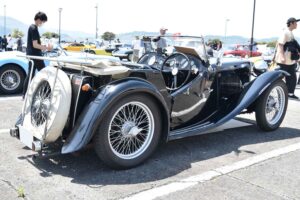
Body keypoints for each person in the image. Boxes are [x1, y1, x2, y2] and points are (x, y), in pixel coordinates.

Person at [22, 11, 52, 98]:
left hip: (31, 54)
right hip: (35, 55)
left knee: (30, 74)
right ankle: (47, 92)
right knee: (45, 73)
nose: (42, 23)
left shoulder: (31, 27)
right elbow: (35, 45)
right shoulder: (34, 28)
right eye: (42, 21)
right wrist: (46, 48)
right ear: (39, 19)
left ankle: (24, 94)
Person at [275, 17, 300, 99]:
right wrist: (282, 56)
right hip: (284, 61)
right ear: (292, 23)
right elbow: (280, 44)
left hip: (290, 61)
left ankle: (290, 94)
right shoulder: (285, 32)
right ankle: (277, 93)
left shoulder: (290, 33)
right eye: (296, 23)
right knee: (279, 78)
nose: (297, 24)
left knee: (292, 78)